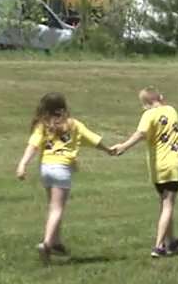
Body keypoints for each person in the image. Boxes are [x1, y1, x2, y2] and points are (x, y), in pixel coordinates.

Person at [15, 92, 114, 261]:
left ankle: (56, 243)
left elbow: (33, 145)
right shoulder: (73, 124)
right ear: (63, 107)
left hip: (46, 168)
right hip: (62, 169)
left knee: (53, 206)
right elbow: (94, 140)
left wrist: (23, 163)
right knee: (57, 208)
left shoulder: (43, 125)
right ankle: (46, 244)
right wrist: (109, 150)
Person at [111, 88, 178, 258]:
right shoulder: (171, 110)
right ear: (161, 97)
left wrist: (123, 146)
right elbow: (143, 133)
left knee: (164, 203)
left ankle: (171, 241)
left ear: (144, 104)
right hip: (172, 164)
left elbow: (142, 133)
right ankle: (159, 246)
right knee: (168, 204)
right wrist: (124, 146)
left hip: (157, 166)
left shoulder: (148, 115)